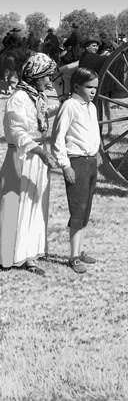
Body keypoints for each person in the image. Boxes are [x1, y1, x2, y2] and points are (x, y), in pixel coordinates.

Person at [0, 53, 58, 276]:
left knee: (36, 204)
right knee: (21, 206)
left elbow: (40, 115)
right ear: (35, 76)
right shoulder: (18, 99)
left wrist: (62, 106)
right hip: (22, 158)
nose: (50, 82)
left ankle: (31, 253)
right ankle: (15, 255)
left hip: (38, 156)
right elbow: (17, 132)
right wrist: (40, 151)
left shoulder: (37, 97)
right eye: (46, 77)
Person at [51, 67, 101, 274]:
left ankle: (79, 251)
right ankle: (73, 257)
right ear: (76, 86)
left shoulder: (91, 107)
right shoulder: (70, 106)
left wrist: (97, 156)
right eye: (89, 87)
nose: (93, 91)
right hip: (76, 162)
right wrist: (66, 165)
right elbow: (57, 137)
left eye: (95, 88)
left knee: (86, 208)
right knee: (77, 209)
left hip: (90, 162)